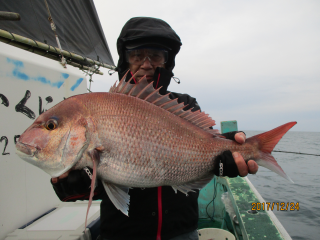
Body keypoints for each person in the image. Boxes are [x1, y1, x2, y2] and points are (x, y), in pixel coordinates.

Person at [51, 17, 258, 240]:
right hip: (122, 233)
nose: (146, 64)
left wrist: (224, 152)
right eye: (137, 56)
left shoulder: (185, 105)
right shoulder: (105, 108)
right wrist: (79, 183)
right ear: (125, 61)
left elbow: (207, 144)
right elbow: (97, 181)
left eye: (156, 56)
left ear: (167, 62)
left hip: (181, 231)